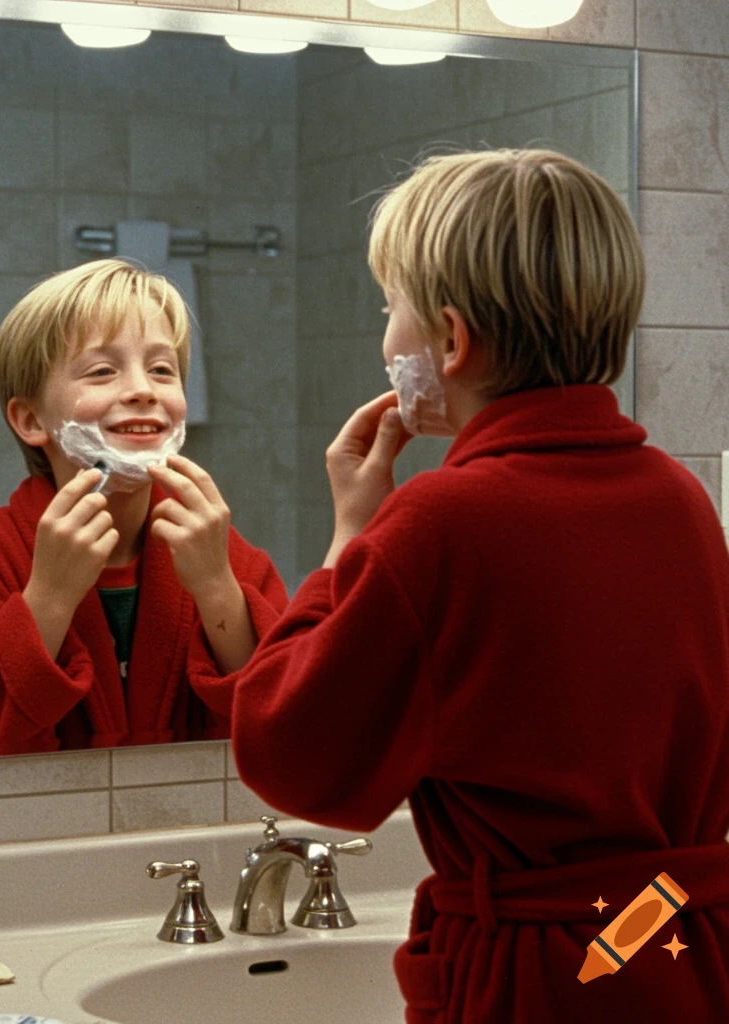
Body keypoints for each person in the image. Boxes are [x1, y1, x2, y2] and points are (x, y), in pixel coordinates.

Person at [230, 150, 729, 1022]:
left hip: (534, 981)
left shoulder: (439, 523)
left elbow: (292, 756)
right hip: (668, 943)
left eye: (391, 310)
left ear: (452, 343)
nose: (385, 338)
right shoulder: (679, 498)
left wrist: (350, 538)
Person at [0, 259, 288, 760]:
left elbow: (289, 719)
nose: (144, 389)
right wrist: (50, 597)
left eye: (163, 369)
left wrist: (216, 588)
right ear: (31, 419)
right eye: (102, 371)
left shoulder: (226, 557)